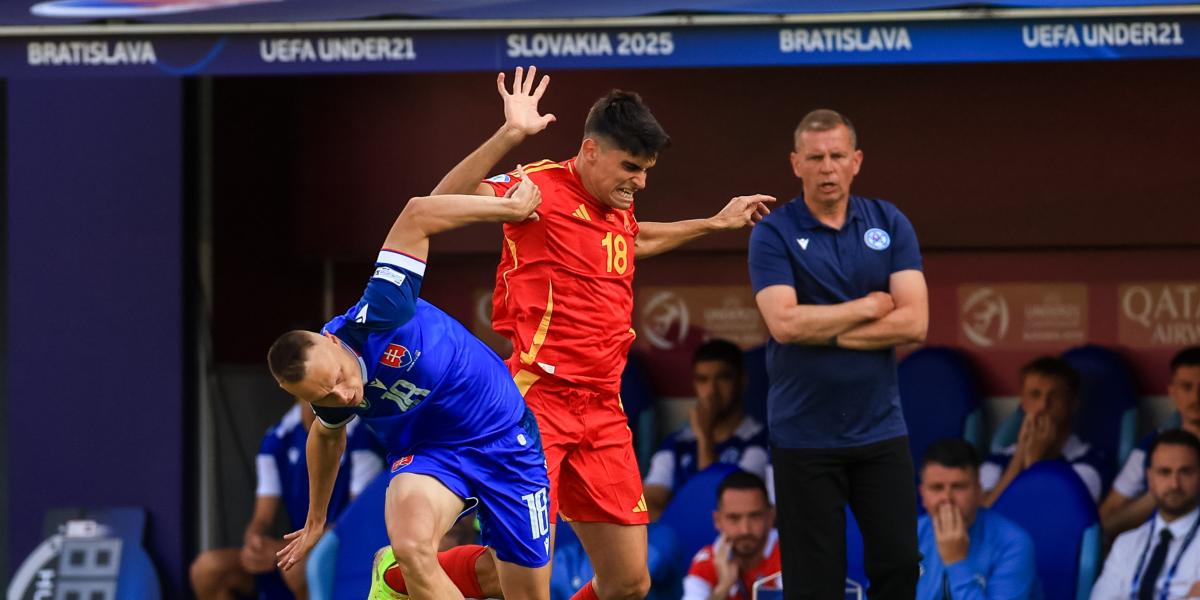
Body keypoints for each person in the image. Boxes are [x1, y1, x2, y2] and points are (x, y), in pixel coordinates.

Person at [430, 66, 773, 600]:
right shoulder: (536, 187)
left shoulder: (617, 205)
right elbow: (439, 203)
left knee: (629, 582)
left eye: (647, 170)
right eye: (631, 167)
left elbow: (632, 242)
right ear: (590, 150)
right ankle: (399, 575)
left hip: (603, 408)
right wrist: (510, 135)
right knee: (516, 580)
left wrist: (712, 223)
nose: (640, 182)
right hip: (534, 402)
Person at [268, 172, 553, 600]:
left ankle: (393, 579)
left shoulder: (381, 307)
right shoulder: (326, 389)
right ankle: (401, 568)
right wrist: (315, 521)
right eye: (324, 397)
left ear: (332, 341)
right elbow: (326, 437)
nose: (343, 396)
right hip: (429, 455)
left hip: (503, 438)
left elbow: (418, 213)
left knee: (519, 588)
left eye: (340, 380)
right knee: (413, 547)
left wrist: (508, 210)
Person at [749, 108, 928, 599]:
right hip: (804, 439)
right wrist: (868, 308)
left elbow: (914, 322)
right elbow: (783, 323)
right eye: (815, 157)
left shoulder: (890, 222)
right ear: (795, 163)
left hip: (880, 432)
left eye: (836, 156)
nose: (827, 167)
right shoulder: (773, 232)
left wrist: (822, 327)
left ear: (856, 161)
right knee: (814, 585)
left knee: (899, 566)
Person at [190, 401, 385, 600]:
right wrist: (255, 542)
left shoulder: (360, 435)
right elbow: (262, 518)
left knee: (297, 565)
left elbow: (357, 525)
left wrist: (295, 548)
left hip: (340, 556)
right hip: (292, 550)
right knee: (208, 568)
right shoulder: (278, 436)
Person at [644, 339, 769, 520]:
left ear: (742, 380)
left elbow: (718, 502)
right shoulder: (677, 443)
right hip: (679, 542)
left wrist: (705, 439)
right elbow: (650, 501)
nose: (712, 391)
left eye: (723, 378)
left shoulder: (759, 440)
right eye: (703, 380)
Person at [916, 439, 1041, 600]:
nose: (947, 498)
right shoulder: (907, 538)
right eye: (937, 488)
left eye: (958, 487)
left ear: (978, 491)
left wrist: (956, 561)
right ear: (923, 495)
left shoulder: (1013, 544)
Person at [979, 357, 1109, 506]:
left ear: (1073, 403)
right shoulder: (999, 459)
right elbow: (984, 513)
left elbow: (1053, 516)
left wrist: (1035, 462)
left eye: (1055, 396)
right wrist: (1020, 455)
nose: (1043, 405)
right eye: (1035, 395)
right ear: (1022, 402)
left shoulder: (1091, 461)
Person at [1101, 346, 1200, 538]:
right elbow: (1110, 513)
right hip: (1162, 545)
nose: (1196, 397)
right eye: (1186, 387)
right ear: (1172, 391)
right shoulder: (1152, 445)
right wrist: (1161, 493)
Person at [1090, 429, 1200, 600]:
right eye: (1165, 472)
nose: (1174, 484)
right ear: (1150, 478)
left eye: (1185, 472)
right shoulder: (1125, 544)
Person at [683, 471, 780, 600]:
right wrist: (723, 587)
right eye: (734, 518)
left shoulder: (790, 555)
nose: (745, 530)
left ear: (771, 516)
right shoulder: (708, 559)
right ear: (717, 521)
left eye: (754, 516)